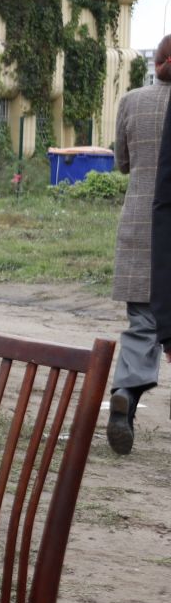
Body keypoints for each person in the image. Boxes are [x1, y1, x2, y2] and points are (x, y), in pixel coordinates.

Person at [109, 36, 171, 453]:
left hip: (140, 224)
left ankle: (126, 396)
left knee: (143, 324)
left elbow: (123, 163)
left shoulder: (132, 101)